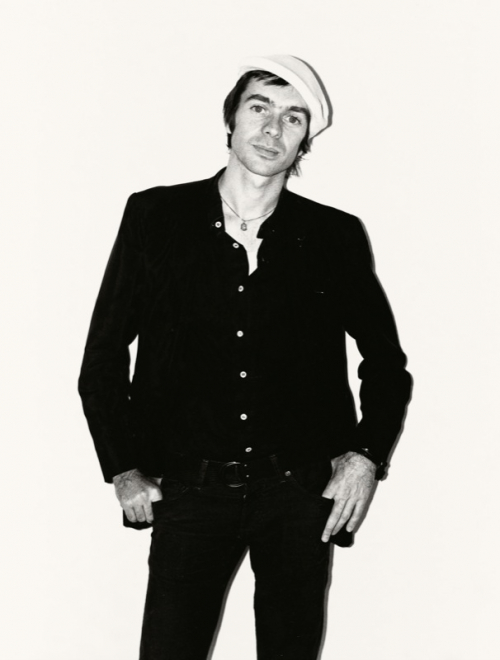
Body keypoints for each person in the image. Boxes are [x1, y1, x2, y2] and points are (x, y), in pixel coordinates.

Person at [78, 54, 412, 660]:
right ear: (231, 119)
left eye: (293, 118)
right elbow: (102, 355)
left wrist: (365, 458)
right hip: (189, 489)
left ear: (305, 140)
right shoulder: (155, 217)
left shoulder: (333, 235)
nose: (272, 128)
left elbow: (387, 364)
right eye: (260, 108)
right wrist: (122, 468)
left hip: (298, 495)